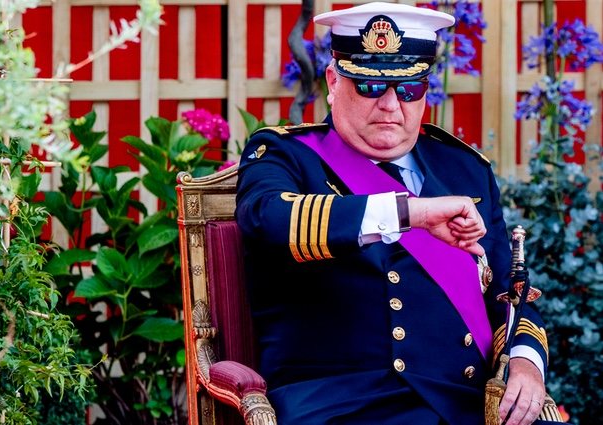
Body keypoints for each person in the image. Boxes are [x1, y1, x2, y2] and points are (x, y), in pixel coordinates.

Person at [235, 2, 554, 425]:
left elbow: (508, 293)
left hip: (464, 404)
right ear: (333, 80)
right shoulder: (284, 155)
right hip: (342, 405)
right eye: (370, 86)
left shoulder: (463, 168)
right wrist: (411, 213)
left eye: (408, 89)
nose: (390, 105)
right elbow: (269, 220)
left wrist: (527, 364)